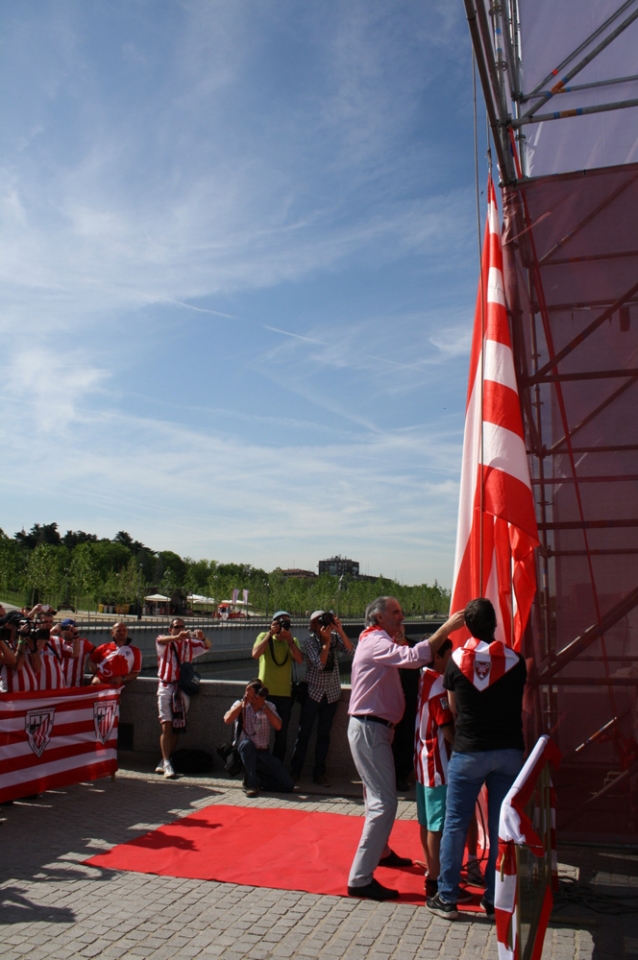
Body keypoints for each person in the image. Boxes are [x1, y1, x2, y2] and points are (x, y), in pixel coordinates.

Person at [347, 596, 465, 900]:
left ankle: (382, 851)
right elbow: (415, 657)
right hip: (371, 730)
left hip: (373, 729)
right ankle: (360, 878)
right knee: (384, 803)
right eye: (396, 613)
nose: (402, 617)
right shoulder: (375, 642)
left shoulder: (373, 641)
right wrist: (448, 627)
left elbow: (407, 653)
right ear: (378, 618)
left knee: (376, 797)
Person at [427, 598, 527, 921]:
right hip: (509, 752)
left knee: (455, 825)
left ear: (467, 627)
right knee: (500, 827)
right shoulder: (516, 660)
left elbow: (454, 711)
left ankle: (447, 897)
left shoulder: (455, 660)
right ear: (494, 623)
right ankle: (494, 897)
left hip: (469, 752)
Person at [290, 610, 353, 786]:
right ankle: (296, 771)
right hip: (313, 693)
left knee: (324, 736)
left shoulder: (335, 639)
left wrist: (339, 631)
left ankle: (320, 773)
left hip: (331, 694)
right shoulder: (310, 642)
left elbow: (351, 651)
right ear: (313, 625)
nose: (322, 625)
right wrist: (325, 643)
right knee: (304, 734)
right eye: (319, 622)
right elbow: (319, 664)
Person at [414, 638, 455, 898]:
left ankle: (431, 869)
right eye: (450, 656)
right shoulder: (440, 685)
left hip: (421, 759)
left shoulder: (424, 677)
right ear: (438, 658)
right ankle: (436, 879)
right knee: (437, 825)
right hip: (437, 763)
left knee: (425, 819)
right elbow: (448, 731)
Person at [155, 618, 211, 779]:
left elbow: (207, 645)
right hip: (166, 686)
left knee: (177, 726)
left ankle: (165, 760)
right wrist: (177, 637)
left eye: (182, 627)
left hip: (182, 689)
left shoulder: (189, 644)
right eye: (176, 627)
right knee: (166, 724)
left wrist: (202, 637)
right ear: (170, 629)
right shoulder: (164, 642)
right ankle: (166, 762)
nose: (180, 629)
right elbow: (160, 640)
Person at [223, 679, 295, 797]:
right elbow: (227, 719)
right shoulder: (240, 705)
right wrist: (244, 703)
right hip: (245, 752)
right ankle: (251, 784)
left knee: (288, 784)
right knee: (247, 745)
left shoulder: (269, 706)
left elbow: (278, 726)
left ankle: (257, 780)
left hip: (263, 753)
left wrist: (263, 706)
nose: (257, 694)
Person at [252, 611, 302, 762]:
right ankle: (259, 763)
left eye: (286, 623)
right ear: (273, 624)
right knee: (259, 732)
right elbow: (255, 654)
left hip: (284, 696)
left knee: (282, 734)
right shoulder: (264, 637)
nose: (283, 626)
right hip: (264, 693)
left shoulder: (292, 640)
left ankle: (277, 765)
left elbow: (299, 660)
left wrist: (289, 641)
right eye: (280, 623)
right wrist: (269, 634)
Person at [89, 622, 142, 687]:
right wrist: (95, 672)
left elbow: (135, 673)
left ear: (127, 632)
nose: (121, 633)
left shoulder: (135, 651)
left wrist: (122, 678)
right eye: (118, 631)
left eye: (124, 630)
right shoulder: (104, 647)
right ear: (112, 633)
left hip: (115, 689)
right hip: (97, 685)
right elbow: (90, 660)